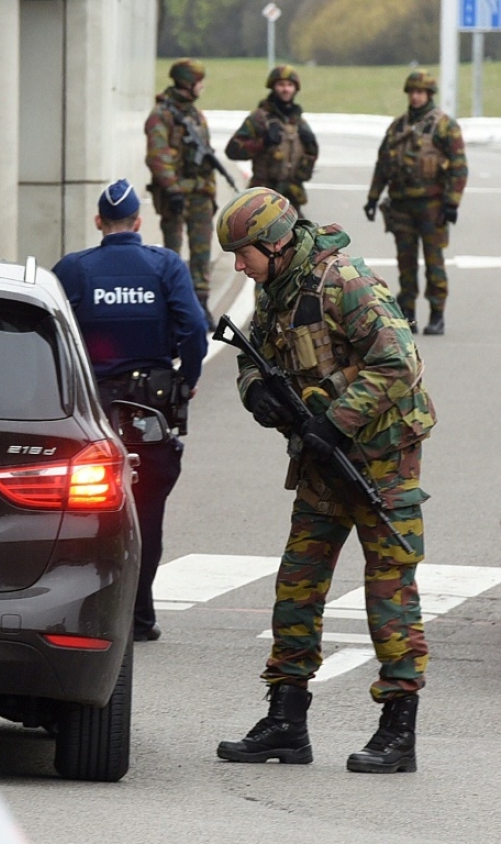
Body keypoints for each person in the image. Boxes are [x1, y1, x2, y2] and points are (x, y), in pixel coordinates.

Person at [214, 187, 437, 773]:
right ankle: (286, 721)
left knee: (389, 587)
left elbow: (400, 362)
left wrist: (335, 422)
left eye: (244, 253)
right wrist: (255, 392)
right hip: (322, 460)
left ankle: (398, 730)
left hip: (382, 461)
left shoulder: (345, 283)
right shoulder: (275, 291)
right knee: (298, 581)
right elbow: (251, 357)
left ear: (275, 242)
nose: (239, 265)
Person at [52, 179, 207, 642]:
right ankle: (140, 617)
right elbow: (194, 328)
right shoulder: (164, 266)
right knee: (147, 512)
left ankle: (84, 613)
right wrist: (189, 379)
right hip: (149, 415)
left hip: (90, 415)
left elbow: (51, 331)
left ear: (99, 223)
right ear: (139, 223)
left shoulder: (75, 270)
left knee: (83, 511)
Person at [364, 68, 468, 336]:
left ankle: (437, 314)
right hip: (401, 207)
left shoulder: (445, 125)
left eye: (421, 92)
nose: (416, 97)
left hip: (432, 207)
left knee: (434, 263)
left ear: (429, 94)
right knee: (405, 263)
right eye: (412, 92)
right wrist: (373, 198)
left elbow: (458, 167)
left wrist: (452, 202)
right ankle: (407, 312)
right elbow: (383, 165)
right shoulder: (398, 126)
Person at [144, 58, 217, 331]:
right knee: (172, 255)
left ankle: (201, 303)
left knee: (201, 253)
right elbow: (157, 157)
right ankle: (171, 306)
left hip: (199, 195)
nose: (202, 86)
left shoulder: (195, 115)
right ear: (188, 83)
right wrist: (172, 189)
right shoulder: (161, 115)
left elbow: (206, 159)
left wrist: (211, 193)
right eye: (199, 81)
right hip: (175, 195)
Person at [224, 65, 318, 213]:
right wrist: (263, 143)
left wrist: (310, 150)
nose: (286, 89)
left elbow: (310, 157)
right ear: (273, 87)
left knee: (301, 234)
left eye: (290, 85)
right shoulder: (259, 118)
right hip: (263, 196)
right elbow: (232, 150)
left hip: (291, 196)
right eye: (281, 85)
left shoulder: (299, 123)